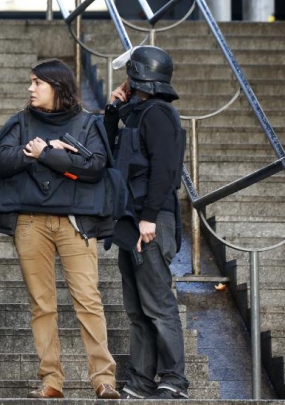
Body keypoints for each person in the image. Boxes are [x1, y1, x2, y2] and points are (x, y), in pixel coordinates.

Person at [0, 59, 119, 399]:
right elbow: (0, 161)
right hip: (30, 222)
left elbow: (96, 166)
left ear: (57, 87)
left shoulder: (88, 123)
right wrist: (36, 152)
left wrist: (48, 154)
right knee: (41, 304)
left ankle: (104, 379)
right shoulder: (21, 121)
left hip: (75, 221)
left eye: (36, 83)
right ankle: (51, 380)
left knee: (88, 299)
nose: (30, 88)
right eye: (30, 82)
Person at [104, 45, 189, 400]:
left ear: (137, 75)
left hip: (149, 222)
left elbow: (166, 171)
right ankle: (140, 382)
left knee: (157, 306)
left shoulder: (158, 114)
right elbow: (108, 150)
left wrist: (149, 217)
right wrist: (112, 110)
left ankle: (174, 380)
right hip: (131, 223)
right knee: (138, 309)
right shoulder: (136, 113)